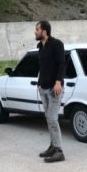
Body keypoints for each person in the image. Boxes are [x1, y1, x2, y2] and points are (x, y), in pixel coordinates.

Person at [35, 20, 66, 163]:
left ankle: (59, 151)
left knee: (53, 118)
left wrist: (58, 81)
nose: (35, 32)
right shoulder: (40, 47)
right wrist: (40, 83)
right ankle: (53, 146)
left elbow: (61, 64)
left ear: (44, 31)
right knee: (48, 118)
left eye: (37, 29)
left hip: (55, 88)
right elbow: (43, 67)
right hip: (44, 88)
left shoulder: (57, 44)